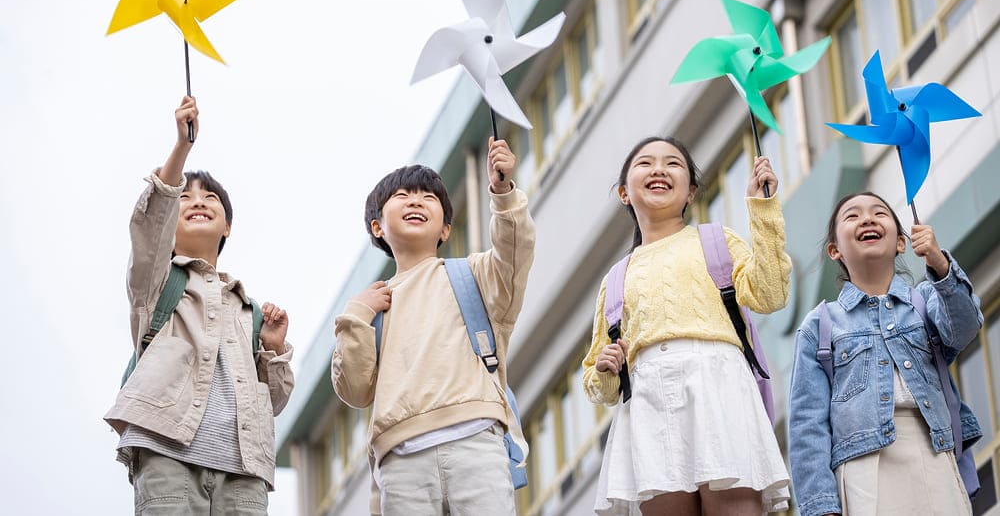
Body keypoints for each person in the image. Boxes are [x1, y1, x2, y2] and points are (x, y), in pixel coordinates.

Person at [105, 96, 295, 515]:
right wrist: (181, 148)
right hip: (168, 453)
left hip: (243, 471)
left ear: (228, 224)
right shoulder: (158, 283)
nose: (198, 201)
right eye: (185, 198)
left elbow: (274, 402)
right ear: (171, 224)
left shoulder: (250, 310)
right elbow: (150, 227)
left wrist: (275, 349)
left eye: (210, 196)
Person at [583, 136, 792, 515]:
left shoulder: (717, 241)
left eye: (673, 163)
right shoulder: (616, 278)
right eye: (645, 163)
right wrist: (605, 368)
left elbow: (771, 293)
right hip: (648, 403)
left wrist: (762, 210)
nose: (659, 169)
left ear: (691, 192)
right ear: (624, 193)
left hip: (719, 388)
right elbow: (599, 384)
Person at [331, 137, 535, 516]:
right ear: (377, 226)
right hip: (402, 460)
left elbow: (514, 252)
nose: (415, 201)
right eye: (402, 195)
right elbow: (354, 389)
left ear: (445, 229)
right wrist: (356, 316)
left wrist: (504, 193)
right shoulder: (371, 305)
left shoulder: (473, 275)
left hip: (476, 442)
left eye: (428, 197)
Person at [787, 192, 983, 516]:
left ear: (901, 243)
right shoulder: (820, 325)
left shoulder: (924, 301)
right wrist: (821, 508)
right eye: (852, 216)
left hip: (932, 450)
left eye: (879, 213)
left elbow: (965, 327)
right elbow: (807, 427)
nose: (867, 218)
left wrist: (939, 263)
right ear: (834, 250)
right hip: (862, 466)